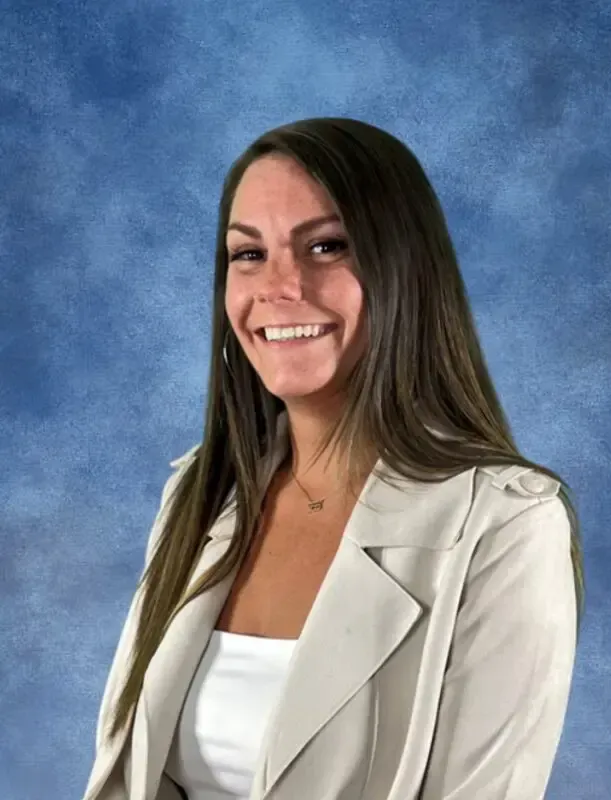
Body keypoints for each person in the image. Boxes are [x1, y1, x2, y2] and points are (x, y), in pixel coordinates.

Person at [82, 117, 584, 800]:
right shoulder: (204, 492)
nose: (279, 287)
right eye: (248, 254)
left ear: (405, 270)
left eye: (325, 245)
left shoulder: (505, 526)